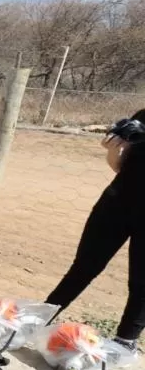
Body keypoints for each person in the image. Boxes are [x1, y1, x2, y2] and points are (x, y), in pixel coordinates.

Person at [45, 111, 145, 355]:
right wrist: (113, 151)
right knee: (84, 267)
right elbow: (120, 167)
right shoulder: (143, 116)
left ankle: (125, 341)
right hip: (117, 202)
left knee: (141, 281)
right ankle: (43, 316)